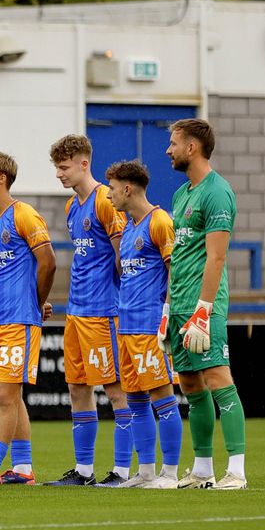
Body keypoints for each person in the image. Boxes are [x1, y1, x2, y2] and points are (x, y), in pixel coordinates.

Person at [164, 119, 248, 489]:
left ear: (192, 148)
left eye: (173, 143)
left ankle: (237, 471)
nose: (169, 150)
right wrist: (168, 310)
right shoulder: (182, 194)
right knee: (191, 386)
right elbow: (180, 256)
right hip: (180, 304)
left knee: (218, 377)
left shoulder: (218, 192)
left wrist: (204, 310)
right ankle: (201, 469)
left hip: (203, 307)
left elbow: (216, 258)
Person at [46, 134, 132, 488]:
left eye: (63, 167)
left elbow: (122, 257)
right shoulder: (72, 207)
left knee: (115, 391)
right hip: (76, 313)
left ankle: (123, 472)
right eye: (56, 168)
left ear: (84, 164)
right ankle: (83, 472)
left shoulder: (105, 201)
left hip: (104, 311)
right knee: (77, 388)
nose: (59, 175)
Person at [0, 152, 56, 486]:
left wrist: (37, 302)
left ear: (1, 178)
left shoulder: (24, 214)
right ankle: (22, 468)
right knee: (11, 397)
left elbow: (47, 261)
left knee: (6, 397)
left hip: (19, 320)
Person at [105, 160, 183, 489]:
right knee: (135, 401)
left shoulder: (159, 221)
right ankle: (147, 471)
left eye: (111, 188)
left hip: (150, 326)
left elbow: (175, 272)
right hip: (126, 326)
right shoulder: (129, 227)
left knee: (163, 399)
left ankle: (170, 472)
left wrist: (167, 316)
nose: (108, 195)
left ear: (127, 189)